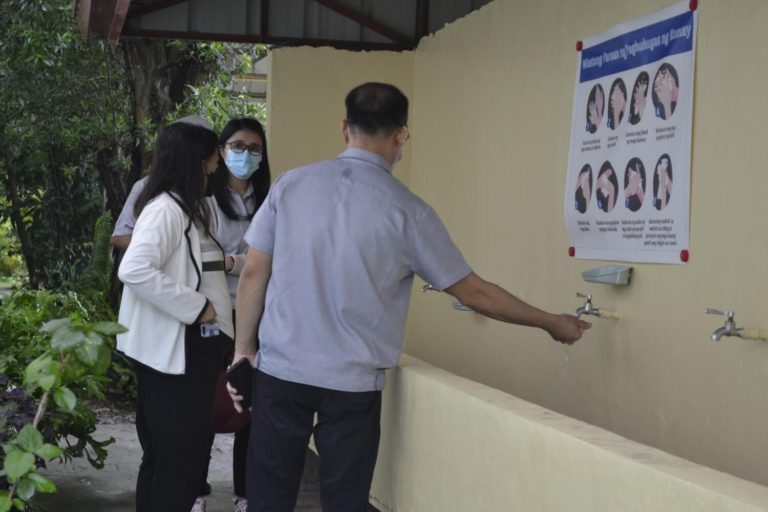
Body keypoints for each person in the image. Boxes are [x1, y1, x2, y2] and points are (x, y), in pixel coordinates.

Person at [229, 82, 591, 512]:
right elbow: (474, 292)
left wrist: (242, 351)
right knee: (345, 501)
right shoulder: (409, 211)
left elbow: (253, 271)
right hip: (353, 387)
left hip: (282, 373)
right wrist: (552, 321)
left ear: (345, 128)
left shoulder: (291, 186)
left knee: (268, 496)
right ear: (401, 135)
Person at [116, 117, 233, 512]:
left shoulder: (189, 207)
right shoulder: (165, 210)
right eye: (217, 151)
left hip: (187, 353)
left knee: (172, 457)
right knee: (176, 458)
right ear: (198, 158)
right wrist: (197, 307)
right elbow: (133, 269)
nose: (221, 160)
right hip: (174, 355)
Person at [191, 118, 271, 512]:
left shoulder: (273, 199)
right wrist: (248, 261)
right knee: (206, 403)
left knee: (251, 407)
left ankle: (245, 493)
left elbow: (276, 261)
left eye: (255, 148)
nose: (246, 155)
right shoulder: (203, 200)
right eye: (237, 146)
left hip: (259, 315)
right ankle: (196, 491)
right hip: (214, 315)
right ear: (221, 151)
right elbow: (204, 261)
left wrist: (233, 261)